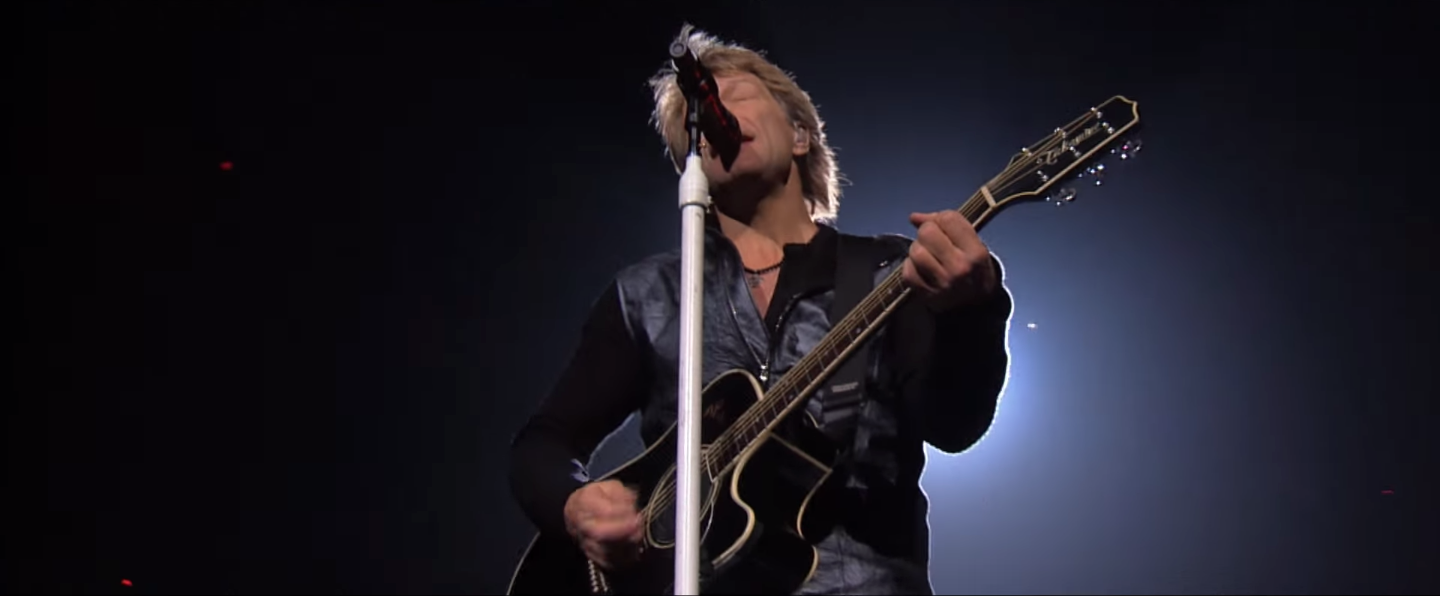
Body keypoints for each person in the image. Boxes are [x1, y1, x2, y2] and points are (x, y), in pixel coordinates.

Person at [508, 27, 1013, 595]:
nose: (714, 112)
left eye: (739, 95)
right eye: (695, 119)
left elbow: (955, 424)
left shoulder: (886, 272)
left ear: (800, 135)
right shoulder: (651, 293)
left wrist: (974, 313)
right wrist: (573, 505)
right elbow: (543, 442)